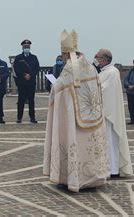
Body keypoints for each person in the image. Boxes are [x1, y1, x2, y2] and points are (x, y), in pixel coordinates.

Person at [43, 30, 108, 192]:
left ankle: (72, 179)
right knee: (90, 148)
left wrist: (54, 86)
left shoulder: (70, 68)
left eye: (63, 55)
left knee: (75, 145)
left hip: (74, 119)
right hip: (93, 117)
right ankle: (93, 178)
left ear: (66, 54)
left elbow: (58, 89)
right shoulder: (91, 67)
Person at [94, 48, 133, 178]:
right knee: (106, 142)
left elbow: (103, 91)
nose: (96, 60)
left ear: (104, 59)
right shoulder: (105, 72)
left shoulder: (111, 73)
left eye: (98, 57)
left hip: (109, 114)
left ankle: (112, 169)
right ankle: (107, 168)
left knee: (110, 141)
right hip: (105, 112)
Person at [13, 39, 40, 123]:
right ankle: (19, 117)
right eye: (25, 47)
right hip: (22, 82)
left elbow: (37, 68)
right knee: (21, 100)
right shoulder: (18, 58)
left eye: (28, 47)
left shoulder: (34, 57)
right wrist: (24, 75)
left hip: (31, 82)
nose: (26, 48)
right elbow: (16, 69)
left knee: (31, 100)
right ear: (22, 47)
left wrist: (30, 75)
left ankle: (32, 117)